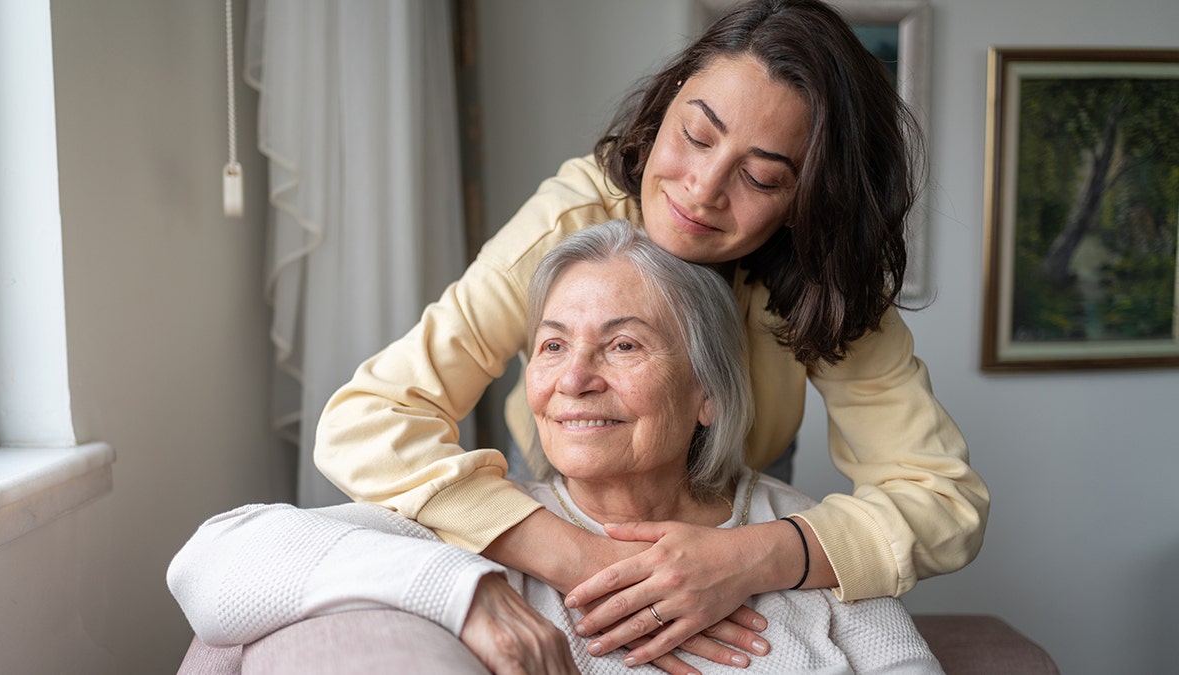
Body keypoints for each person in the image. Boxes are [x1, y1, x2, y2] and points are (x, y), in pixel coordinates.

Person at [315, 0, 990, 668]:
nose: (701, 189)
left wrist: (746, 555)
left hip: (743, 503)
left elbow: (943, 500)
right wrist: (579, 555)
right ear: (667, 103)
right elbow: (367, 421)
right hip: (557, 498)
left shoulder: (828, 282)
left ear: (809, 200)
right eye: (696, 136)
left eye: (759, 176)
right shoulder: (570, 221)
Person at [169, 220, 944, 674]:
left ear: (707, 391)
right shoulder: (483, 531)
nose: (574, 379)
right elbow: (211, 560)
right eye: (550, 346)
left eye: (624, 345)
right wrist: (462, 591)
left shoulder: (804, 541)